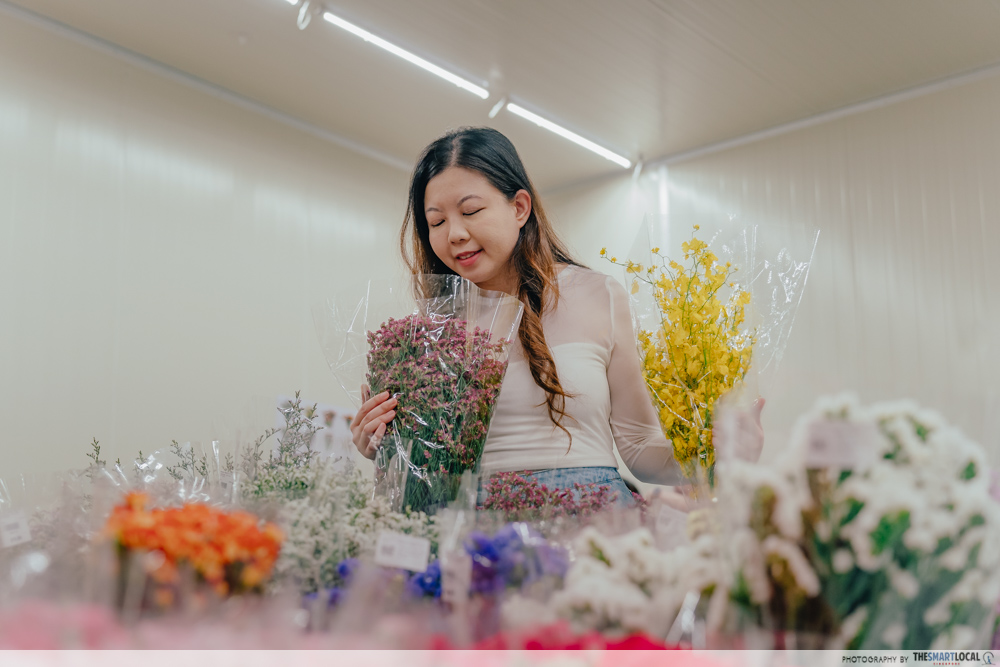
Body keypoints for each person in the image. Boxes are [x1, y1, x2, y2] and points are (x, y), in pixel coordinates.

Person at [351, 126, 762, 505]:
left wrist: (719, 456)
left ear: (520, 208)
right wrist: (383, 447)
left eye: (471, 211)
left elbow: (638, 448)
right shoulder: (428, 332)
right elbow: (427, 474)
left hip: (593, 524)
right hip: (483, 540)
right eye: (436, 221)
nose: (454, 233)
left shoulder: (598, 294)